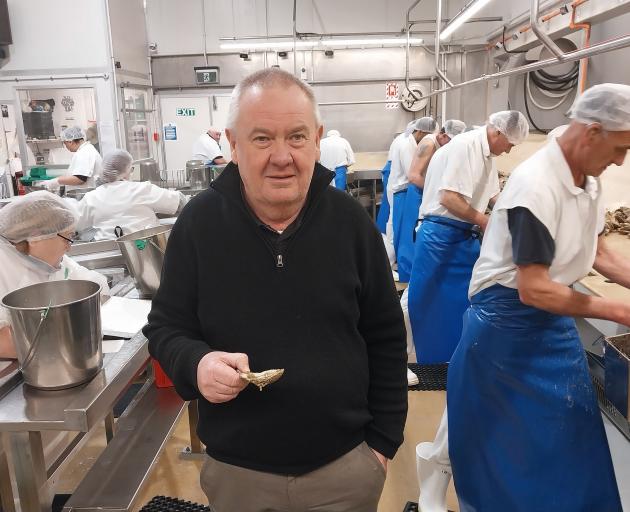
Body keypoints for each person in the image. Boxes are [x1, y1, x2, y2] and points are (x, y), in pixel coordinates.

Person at [144, 68, 407, 512]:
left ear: (318, 139)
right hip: (238, 474)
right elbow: (166, 327)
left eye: (297, 137)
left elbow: (385, 335)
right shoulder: (199, 225)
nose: (282, 156)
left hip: (346, 468)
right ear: (233, 142)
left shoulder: (351, 224)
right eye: (262, 138)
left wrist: (381, 444)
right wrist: (197, 363)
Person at [447, 84, 630, 512]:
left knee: (572, 437)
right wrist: (618, 308)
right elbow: (534, 288)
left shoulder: (587, 179)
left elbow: (599, 251)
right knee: (510, 449)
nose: (622, 160)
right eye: (620, 148)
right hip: (505, 328)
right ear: (592, 132)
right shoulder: (535, 187)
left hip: (551, 322)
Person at [407, 111, 528, 364]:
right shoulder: (465, 146)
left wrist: (521, 213)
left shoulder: (487, 155)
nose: (508, 151)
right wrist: (486, 222)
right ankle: (403, 357)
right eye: (509, 144)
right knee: (423, 300)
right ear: (497, 132)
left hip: (462, 236)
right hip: (439, 236)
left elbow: (495, 197)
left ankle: (446, 358)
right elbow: (448, 198)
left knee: (456, 304)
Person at [0, 191, 109, 358]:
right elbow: (5, 343)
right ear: (36, 237)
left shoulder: (49, 261)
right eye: (67, 238)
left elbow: (96, 287)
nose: (69, 247)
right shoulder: (4, 265)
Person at [397, 119, 466, 283]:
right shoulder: (429, 144)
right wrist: (434, 191)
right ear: (442, 134)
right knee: (413, 232)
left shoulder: (444, 146)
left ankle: (421, 273)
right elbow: (414, 176)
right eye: (449, 140)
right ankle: (410, 275)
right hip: (418, 192)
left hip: (427, 191)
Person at [75, 149, 187, 240]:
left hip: (106, 253)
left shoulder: (92, 197)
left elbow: (76, 224)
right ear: (126, 170)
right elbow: (180, 202)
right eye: (131, 168)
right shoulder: (141, 189)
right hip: (144, 250)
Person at [386, 117, 437, 267]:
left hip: (401, 189)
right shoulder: (407, 145)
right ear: (420, 131)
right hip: (400, 190)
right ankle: (389, 264)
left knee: (396, 227)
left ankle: (391, 262)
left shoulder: (409, 142)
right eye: (427, 135)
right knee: (397, 229)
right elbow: (413, 173)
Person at [378, 120, 417, 264]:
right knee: (395, 221)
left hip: (394, 178)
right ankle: (391, 255)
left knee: (390, 216)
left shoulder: (402, 139)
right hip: (399, 185)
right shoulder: (407, 144)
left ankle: (389, 252)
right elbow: (410, 172)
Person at [45, 126, 103, 191]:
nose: (66, 146)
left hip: (86, 195)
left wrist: (56, 181)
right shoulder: (85, 150)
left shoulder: (84, 152)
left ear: (70, 142)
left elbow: (80, 179)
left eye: (65, 143)